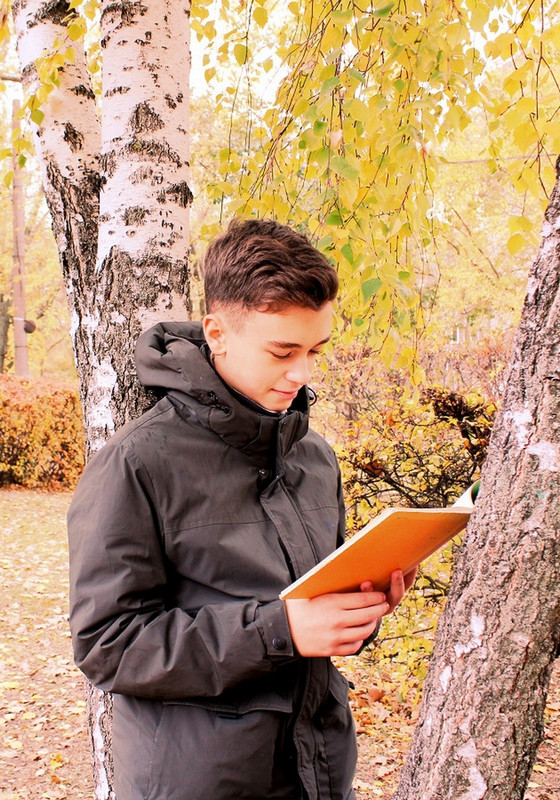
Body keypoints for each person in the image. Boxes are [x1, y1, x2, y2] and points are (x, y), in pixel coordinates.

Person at [68, 218, 415, 800]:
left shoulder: (314, 457)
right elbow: (109, 645)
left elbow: (313, 611)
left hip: (317, 770)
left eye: (314, 350)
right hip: (198, 780)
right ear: (217, 333)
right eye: (282, 351)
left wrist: (363, 602)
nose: (302, 373)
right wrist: (281, 630)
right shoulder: (135, 463)